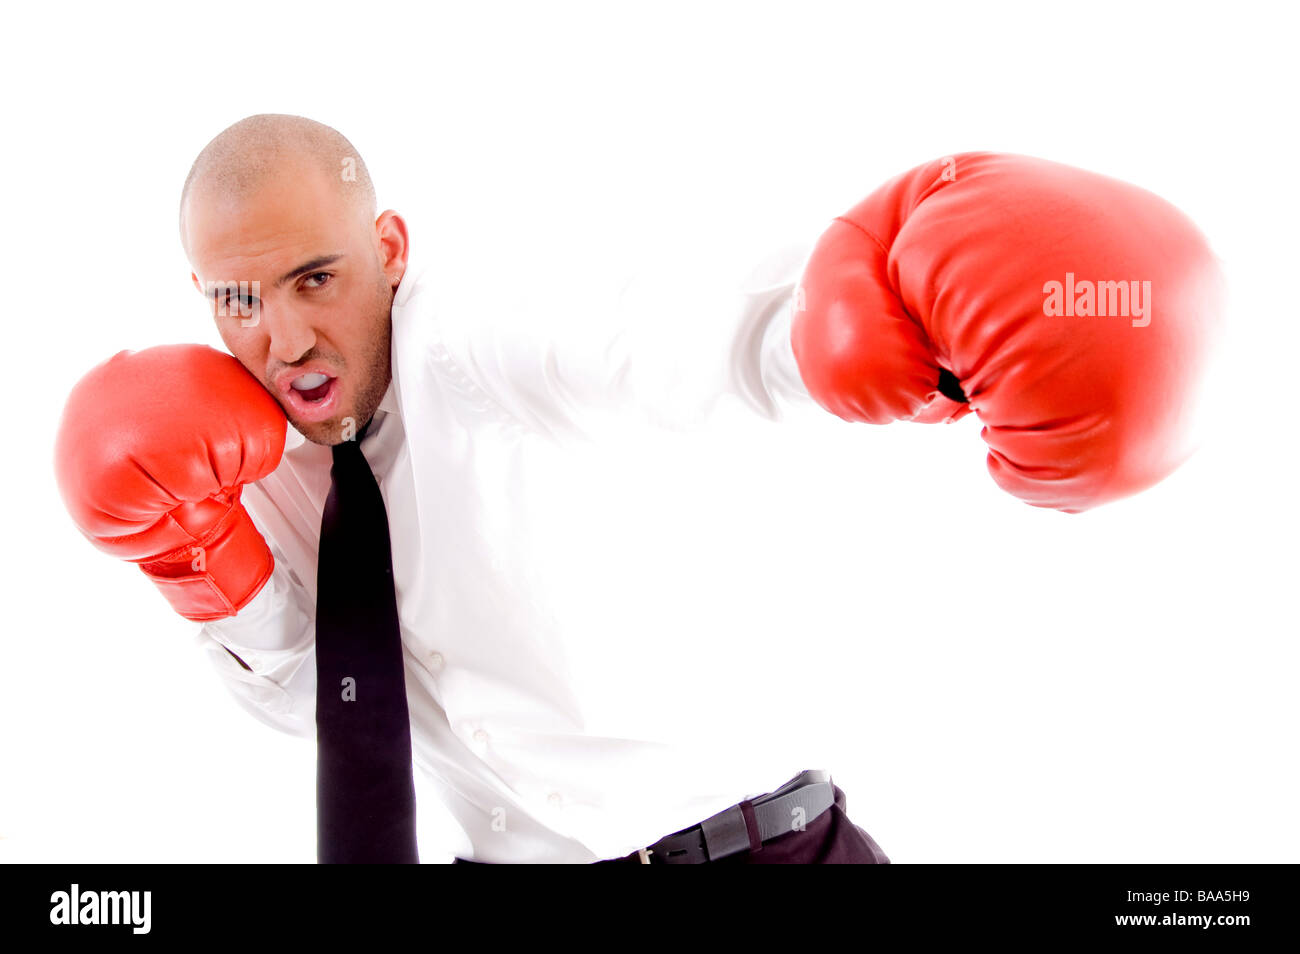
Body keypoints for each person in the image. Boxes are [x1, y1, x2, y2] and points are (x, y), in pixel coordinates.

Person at [53, 114, 1222, 863]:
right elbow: (318, 710)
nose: (284, 338)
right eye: (239, 300)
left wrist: (866, 310)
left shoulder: (480, 338)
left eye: (316, 279)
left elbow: (658, 340)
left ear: (390, 248)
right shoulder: (236, 457)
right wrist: (204, 576)